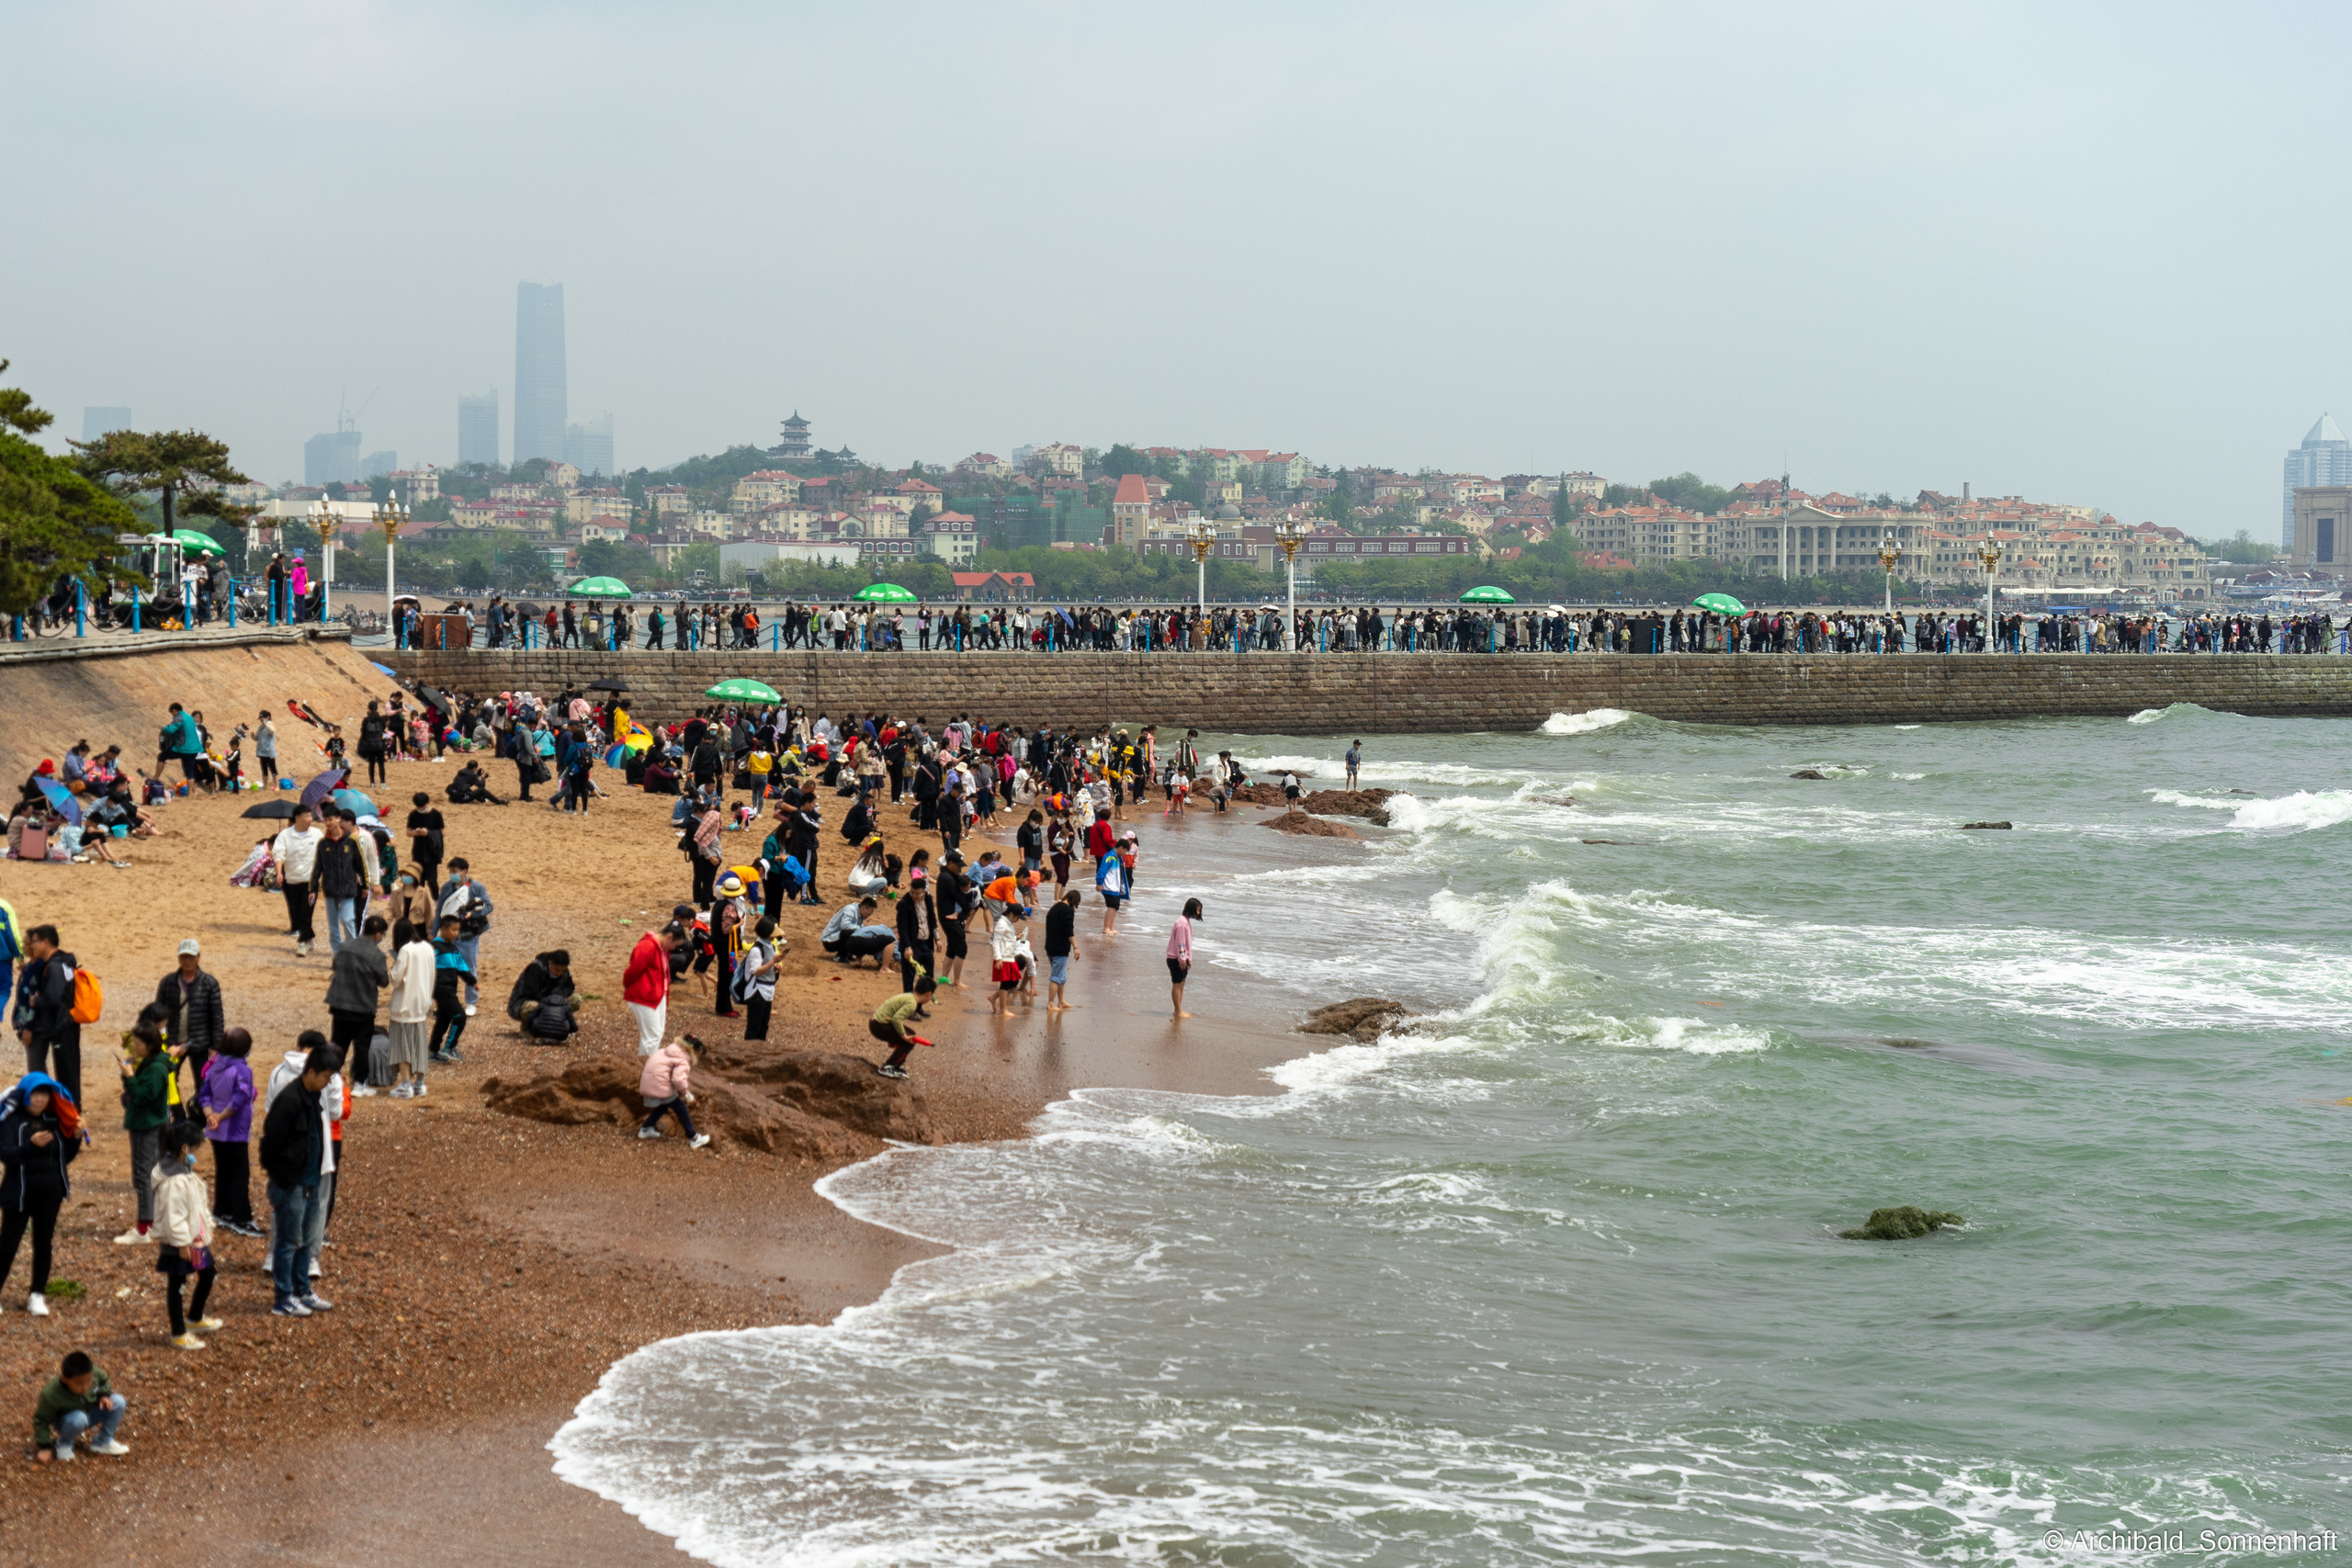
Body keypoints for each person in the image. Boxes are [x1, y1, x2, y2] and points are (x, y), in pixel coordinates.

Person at [258, 1042, 337, 1317]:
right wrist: (284, 1179)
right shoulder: (290, 1100)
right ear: (312, 1072)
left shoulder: (312, 1098)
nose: (327, 1083)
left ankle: (301, 1290)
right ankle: (283, 1297)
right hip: (291, 1184)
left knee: (304, 1241)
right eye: (326, 1077)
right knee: (289, 1241)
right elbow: (269, 1146)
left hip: (310, 1180)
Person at [0, 1072, 77, 1315]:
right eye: (35, 1093)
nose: (39, 1099)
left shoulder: (54, 1119)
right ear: (25, 1094)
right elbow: (7, 1155)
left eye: (44, 1094)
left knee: (43, 1244)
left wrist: (74, 1138)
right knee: (7, 1244)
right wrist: (30, 1145)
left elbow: (65, 1156)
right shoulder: (12, 1121)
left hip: (50, 1191)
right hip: (19, 1193)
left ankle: (37, 1294)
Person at [151, 1121, 219, 1349]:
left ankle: (195, 1317)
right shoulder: (173, 1181)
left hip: (195, 1239)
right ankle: (178, 1332)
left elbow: (196, 1206)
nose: (196, 1153)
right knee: (177, 1283)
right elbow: (173, 1214)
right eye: (194, 1148)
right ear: (184, 1149)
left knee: (208, 1272)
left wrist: (206, 1226)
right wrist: (181, 1243)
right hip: (180, 1243)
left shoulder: (183, 1172)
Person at [115, 1012, 173, 1245]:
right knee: (154, 1173)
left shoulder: (155, 1069)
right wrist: (128, 1076)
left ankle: (143, 1228)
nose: (134, 1048)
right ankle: (155, 1222)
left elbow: (141, 1096)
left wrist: (129, 1078)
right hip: (154, 1123)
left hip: (146, 1126)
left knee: (143, 1176)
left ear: (149, 1045)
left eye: (138, 1044)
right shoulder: (154, 1064)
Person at [14, 925, 84, 1109]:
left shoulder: (53, 966)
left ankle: (71, 1110)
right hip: (64, 1024)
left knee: (66, 1071)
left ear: (45, 943)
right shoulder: (61, 962)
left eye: (33, 942)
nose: (31, 946)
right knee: (68, 1069)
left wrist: (36, 1001)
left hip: (62, 1024)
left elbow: (54, 997)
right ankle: (71, 1107)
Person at [198, 1029, 260, 1233]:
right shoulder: (242, 1070)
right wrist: (221, 1116)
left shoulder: (214, 1066)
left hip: (215, 1131)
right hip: (235, 1131)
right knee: (239, 1174)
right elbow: (240, 1098)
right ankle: (241, 1219)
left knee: (223, 1171)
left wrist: (211, 1116)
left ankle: (222, 1211)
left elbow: (204, 1094)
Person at [325, 914, 389, 1089]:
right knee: (362, 1047)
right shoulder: (377, 955)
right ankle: (360, 1083)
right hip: (362, 1006)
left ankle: (331, 1079)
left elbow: (335, 966)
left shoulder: (344, 947)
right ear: (378, 935)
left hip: (340, 1004)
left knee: (338, 1043)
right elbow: (384, 981)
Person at [32, 1350, 128, 1461]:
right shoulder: (50, 1394)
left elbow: (104, 1381)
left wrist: (104, 1395)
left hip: (89, 1413)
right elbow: (41, 1421)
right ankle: (63, 1445)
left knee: (119, 1401)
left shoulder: (93, 1371)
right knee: (79, 1418)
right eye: (79, 1384)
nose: (85, 1387)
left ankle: (103, 1441)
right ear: (64, 1379)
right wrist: (45, 1447)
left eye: (89, 1381)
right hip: (68, 1422)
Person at [153, 939, 223, 1067]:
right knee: (169, 1080)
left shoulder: (209, 983)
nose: (187, 961)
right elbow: (158, 1014)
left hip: (200, 1045)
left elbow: (217, 1018)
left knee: (202, 1084)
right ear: (179, 958)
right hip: (173, 1043)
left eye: (191, 957)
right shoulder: (167, 983)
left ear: (198, 957)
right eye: (183, 957)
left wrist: (215, 1047)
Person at [636, 1033, 712, 1148]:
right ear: (693, 1051)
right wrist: (686, 1094)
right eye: (698, 1055)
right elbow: (678, 1080)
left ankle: (646, 1129)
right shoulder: (682, 1060)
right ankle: (694, 1138)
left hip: (649, 1084)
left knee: (663, 1105)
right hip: (659, 1086)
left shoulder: (667, 1050)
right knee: (680, 1107)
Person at [384, 921, 434, 1097]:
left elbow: (396, 979)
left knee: (402, 1045)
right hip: (421, 1003)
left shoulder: (405, 950)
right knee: (419, 1043)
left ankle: (405, 1084)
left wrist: (392, 969)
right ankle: (419, 1083)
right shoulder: (428, 948)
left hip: (403, 1005)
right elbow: (432, 974)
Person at [437, 860, 492, 1016]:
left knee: (469, 968)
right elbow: (439, 910)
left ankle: (471, 1002)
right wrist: (434, 931)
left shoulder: (476, 887)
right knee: (446, 968)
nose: (452, 874)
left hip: (468, 935)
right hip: (448, 934)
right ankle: (448, 1002)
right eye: (451, 871)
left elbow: (488, 906)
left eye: (455, 871)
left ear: (464, 871)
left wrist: (472, 914)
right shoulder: (447, 887)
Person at [624, 922, 682, 1057]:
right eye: (674, 944)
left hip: (655, 993)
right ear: (669, 937)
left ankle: (645, 1065)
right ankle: (647, 1068)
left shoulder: (659, 948)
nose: (673, 948)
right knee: (653, 1036)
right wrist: (633, 988)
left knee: (656, 1033)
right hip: (644, 995)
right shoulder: (647, 947)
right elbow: (632, 972)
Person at [273, 806, 324, 956]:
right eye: (306, 816)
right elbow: (279, 854)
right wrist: (279, 872)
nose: (310, 819)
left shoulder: (316, 834)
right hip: (291, 881)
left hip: (310, 883)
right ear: (297, 818)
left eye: (311, 816)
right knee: (295, 913)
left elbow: (323, 855)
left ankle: (302, 943)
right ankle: (309, 936)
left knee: (306, 913)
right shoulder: (285, 835)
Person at [426, 915, 474, 1066]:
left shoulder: (453, 948)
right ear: (443, 929)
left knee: (443, 1019)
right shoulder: (434, 947)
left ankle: (433, 1051)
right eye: (453, 930)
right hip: (441, 989)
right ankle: (449, 1047)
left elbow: (461, 966)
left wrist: (471, 980)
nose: (456, 933)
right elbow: (426, 966)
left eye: (458, 930)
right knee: (460, 1017)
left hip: (450, 989)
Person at [867, 977, 937, 1078]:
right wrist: (903, 1036)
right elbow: (897, 1019)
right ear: (928, 994)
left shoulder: (909, 996)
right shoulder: (912, 1004)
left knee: (911, 1033)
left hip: (876, 1022)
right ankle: (890, 1066)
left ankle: (894, 1064)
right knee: (909, 1041)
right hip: (879, 1026)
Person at [894, 866, 937, 998]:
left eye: (917, 893)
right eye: (912, 892)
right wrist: (907, 947)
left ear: (924, 892)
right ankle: (909, 1006)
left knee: (927, 977)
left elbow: (932, 919)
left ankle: (919, 1006)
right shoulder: (904, 904)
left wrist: (937, 938)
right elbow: (902, 928)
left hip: (926, 943)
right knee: (909, 979)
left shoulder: (928, 899)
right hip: (912, 945)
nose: (914, 896)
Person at [737, 918, 783, 1041]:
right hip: (757, 990)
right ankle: (749, 1053)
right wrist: (773, 962)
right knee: (754, 1026)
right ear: (768, 934)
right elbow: (756, 971)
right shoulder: (756, 950)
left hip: (768, 989)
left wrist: (775, 968)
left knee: (763, 1026)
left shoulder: (771, 947)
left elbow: (766, 968)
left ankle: (761, 1054)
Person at [821, 897, 896, 968]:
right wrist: (861, 929)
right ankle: (841, 956)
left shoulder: (859, 913)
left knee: (857, 933)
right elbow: (845, 926)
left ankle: (847, 955)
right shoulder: (850, 909)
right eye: (870, 913)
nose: (869, 915)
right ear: (864, 908)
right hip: (829, 941)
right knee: (850, 933)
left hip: (837, 938)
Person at [1045, 890, 1082, 1013]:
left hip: (1050, 945)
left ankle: (1061, 1001)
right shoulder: (1068, 911)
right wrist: (1076, 947)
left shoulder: (1055, 907)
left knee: (1061, 976)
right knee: (1056, 976)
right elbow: (1069, 931)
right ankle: (1050, 1003)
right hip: (1060, 948)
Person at [1167, 897, 1202, 1019]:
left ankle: (1179, 1009)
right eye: (1197, 910)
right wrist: (1182, 959)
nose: (1198, 913)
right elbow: (1181, 944)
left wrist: (1188, 959)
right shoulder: (1182, 923)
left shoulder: (1185, 922)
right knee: (1177, 984)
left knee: (1181, 983)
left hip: (1181, 958)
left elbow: (1187, 944)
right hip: (1176, 959)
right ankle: (1177, 1010)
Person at [405, 791, 445, 893]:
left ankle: (436, 900)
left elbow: (442, 832)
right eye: (419, 807)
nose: (421, 809)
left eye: (422, 807)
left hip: (431, 850)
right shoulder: (413, 814)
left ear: (428, 802)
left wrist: (428, 833)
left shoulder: (435, 814)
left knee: (432, 880)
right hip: (418, 850)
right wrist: (415, 833)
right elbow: (408, 832)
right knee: (418, 879)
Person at [1096, 835, 1131, 935]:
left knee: (1115, 907)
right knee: (1111, 906)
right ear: (1121, 848)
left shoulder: (1118, 858)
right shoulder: (1109, 856)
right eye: (1125, 851)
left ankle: (1111, 928)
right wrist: (1099, 883)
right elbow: (1102, 870)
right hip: (1109, 887)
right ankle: (1106, 928)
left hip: (1116, 888)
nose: (1125, 854)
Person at [254, 711, 278, 785]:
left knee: (273, 769)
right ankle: (265, 785)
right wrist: (253, 736)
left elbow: (272, 731)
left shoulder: (271, 724)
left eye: (263, 718)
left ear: (268, 717)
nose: (261, 720)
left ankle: (276, 785)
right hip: (262, 752)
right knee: (264, 770)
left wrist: (265, 724)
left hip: (269, 752)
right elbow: (257, 738)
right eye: (260, 719)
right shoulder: (260, 727)